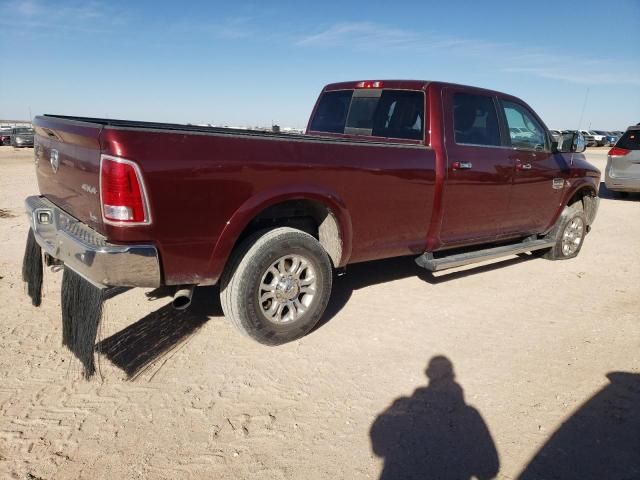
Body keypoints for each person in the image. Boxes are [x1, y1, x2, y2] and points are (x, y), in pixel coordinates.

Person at [370, 356, 499, 480]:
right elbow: (488, 469)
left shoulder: (403, 407)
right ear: (452, 376)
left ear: (428, 374)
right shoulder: (468, 418)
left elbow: (378, 446)